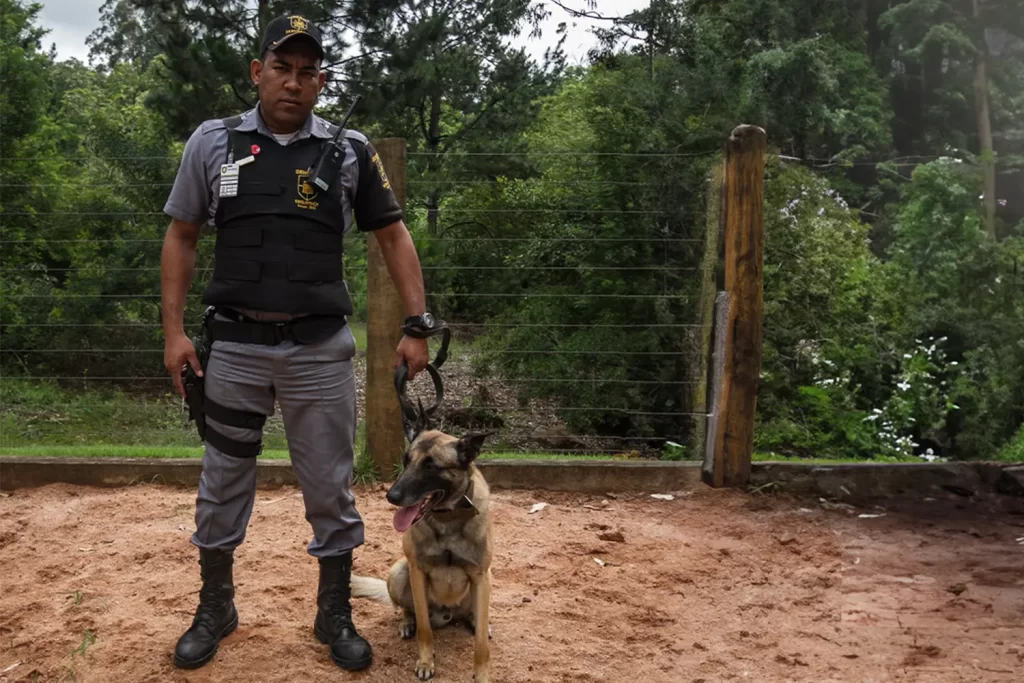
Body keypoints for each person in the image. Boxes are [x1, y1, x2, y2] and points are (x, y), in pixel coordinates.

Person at [159, 14, 431, 672]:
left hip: (319, 351)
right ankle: (216, 605)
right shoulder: (213, 143)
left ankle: (332, 610)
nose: (294, 81)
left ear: (321, 81)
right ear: (257, 73)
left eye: (308, 71)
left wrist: (417, 322)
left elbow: (392, 235)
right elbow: (182, 236)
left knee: (330, 486)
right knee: (222, 481)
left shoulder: (348, 151)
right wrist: (173, 333)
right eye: (282, 67)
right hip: (235, 349)